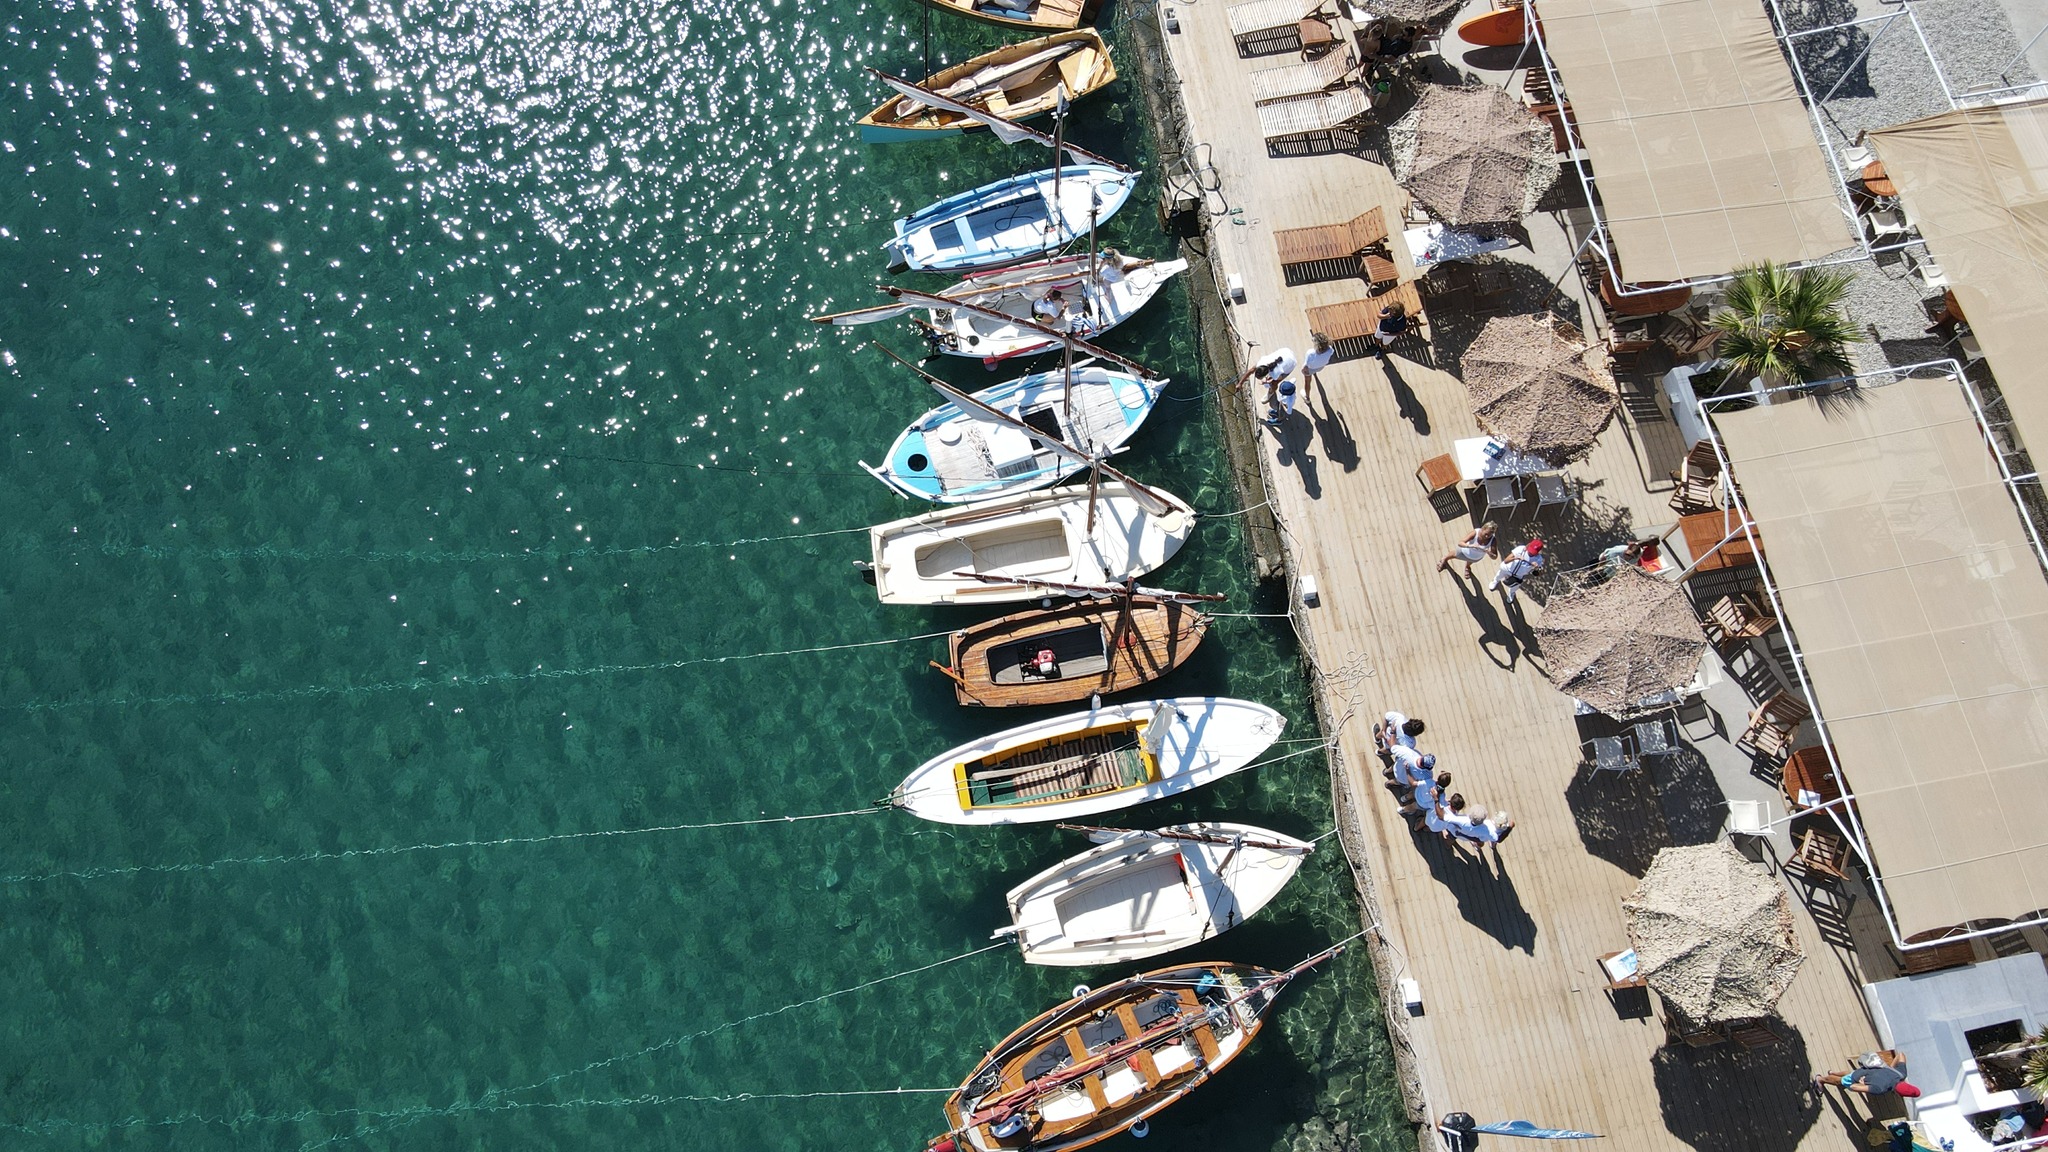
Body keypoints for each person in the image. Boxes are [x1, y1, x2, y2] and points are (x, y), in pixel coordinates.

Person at [1814, 1050, 1919, 1097]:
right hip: (1859, 1077)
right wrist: (1863, 1084)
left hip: (1867, 1068)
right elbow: (1854, 1087)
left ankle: (1833, 1072)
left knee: (1850, 1074)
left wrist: (1890, 1068)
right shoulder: (1880, 1088)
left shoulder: (1901, 1074)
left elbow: (1900, 1055)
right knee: (1842, 1081)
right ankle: (1821, 1079)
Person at [1489, 536, 1545, 604]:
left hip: (1518, 576)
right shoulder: (1521, 549)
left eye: (1533, 552)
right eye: (1530, 550)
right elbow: (1506, 561)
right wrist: (1516, 558)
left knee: (1515, 587)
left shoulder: (1539, 559)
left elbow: (1537, 574)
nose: (1531, 553)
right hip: (1507, 569)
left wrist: (1536, 568)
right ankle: (1495, 581)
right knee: (1499, 576)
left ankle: (1511, 593)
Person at [1301, 331, 1335, 397]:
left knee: (1307, 382)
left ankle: (1307, 397)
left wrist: (1303, 370)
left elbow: (1306, 365)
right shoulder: (1330, 349)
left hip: (1310, 369)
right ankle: (1315, 374)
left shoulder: (1311, 353)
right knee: (1315, 370)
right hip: (1320, 367)